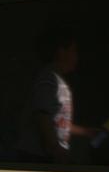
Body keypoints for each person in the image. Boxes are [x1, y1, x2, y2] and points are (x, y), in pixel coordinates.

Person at [17, 26, 98, 163]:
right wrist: (56, 149)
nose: (76, 56)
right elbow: (42, 116)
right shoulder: (48, 78)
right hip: (36, 158)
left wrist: (87, 132)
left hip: (46, 156)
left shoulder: (58, 81)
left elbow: (58, 122)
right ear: (61, 52)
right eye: (73, 50)